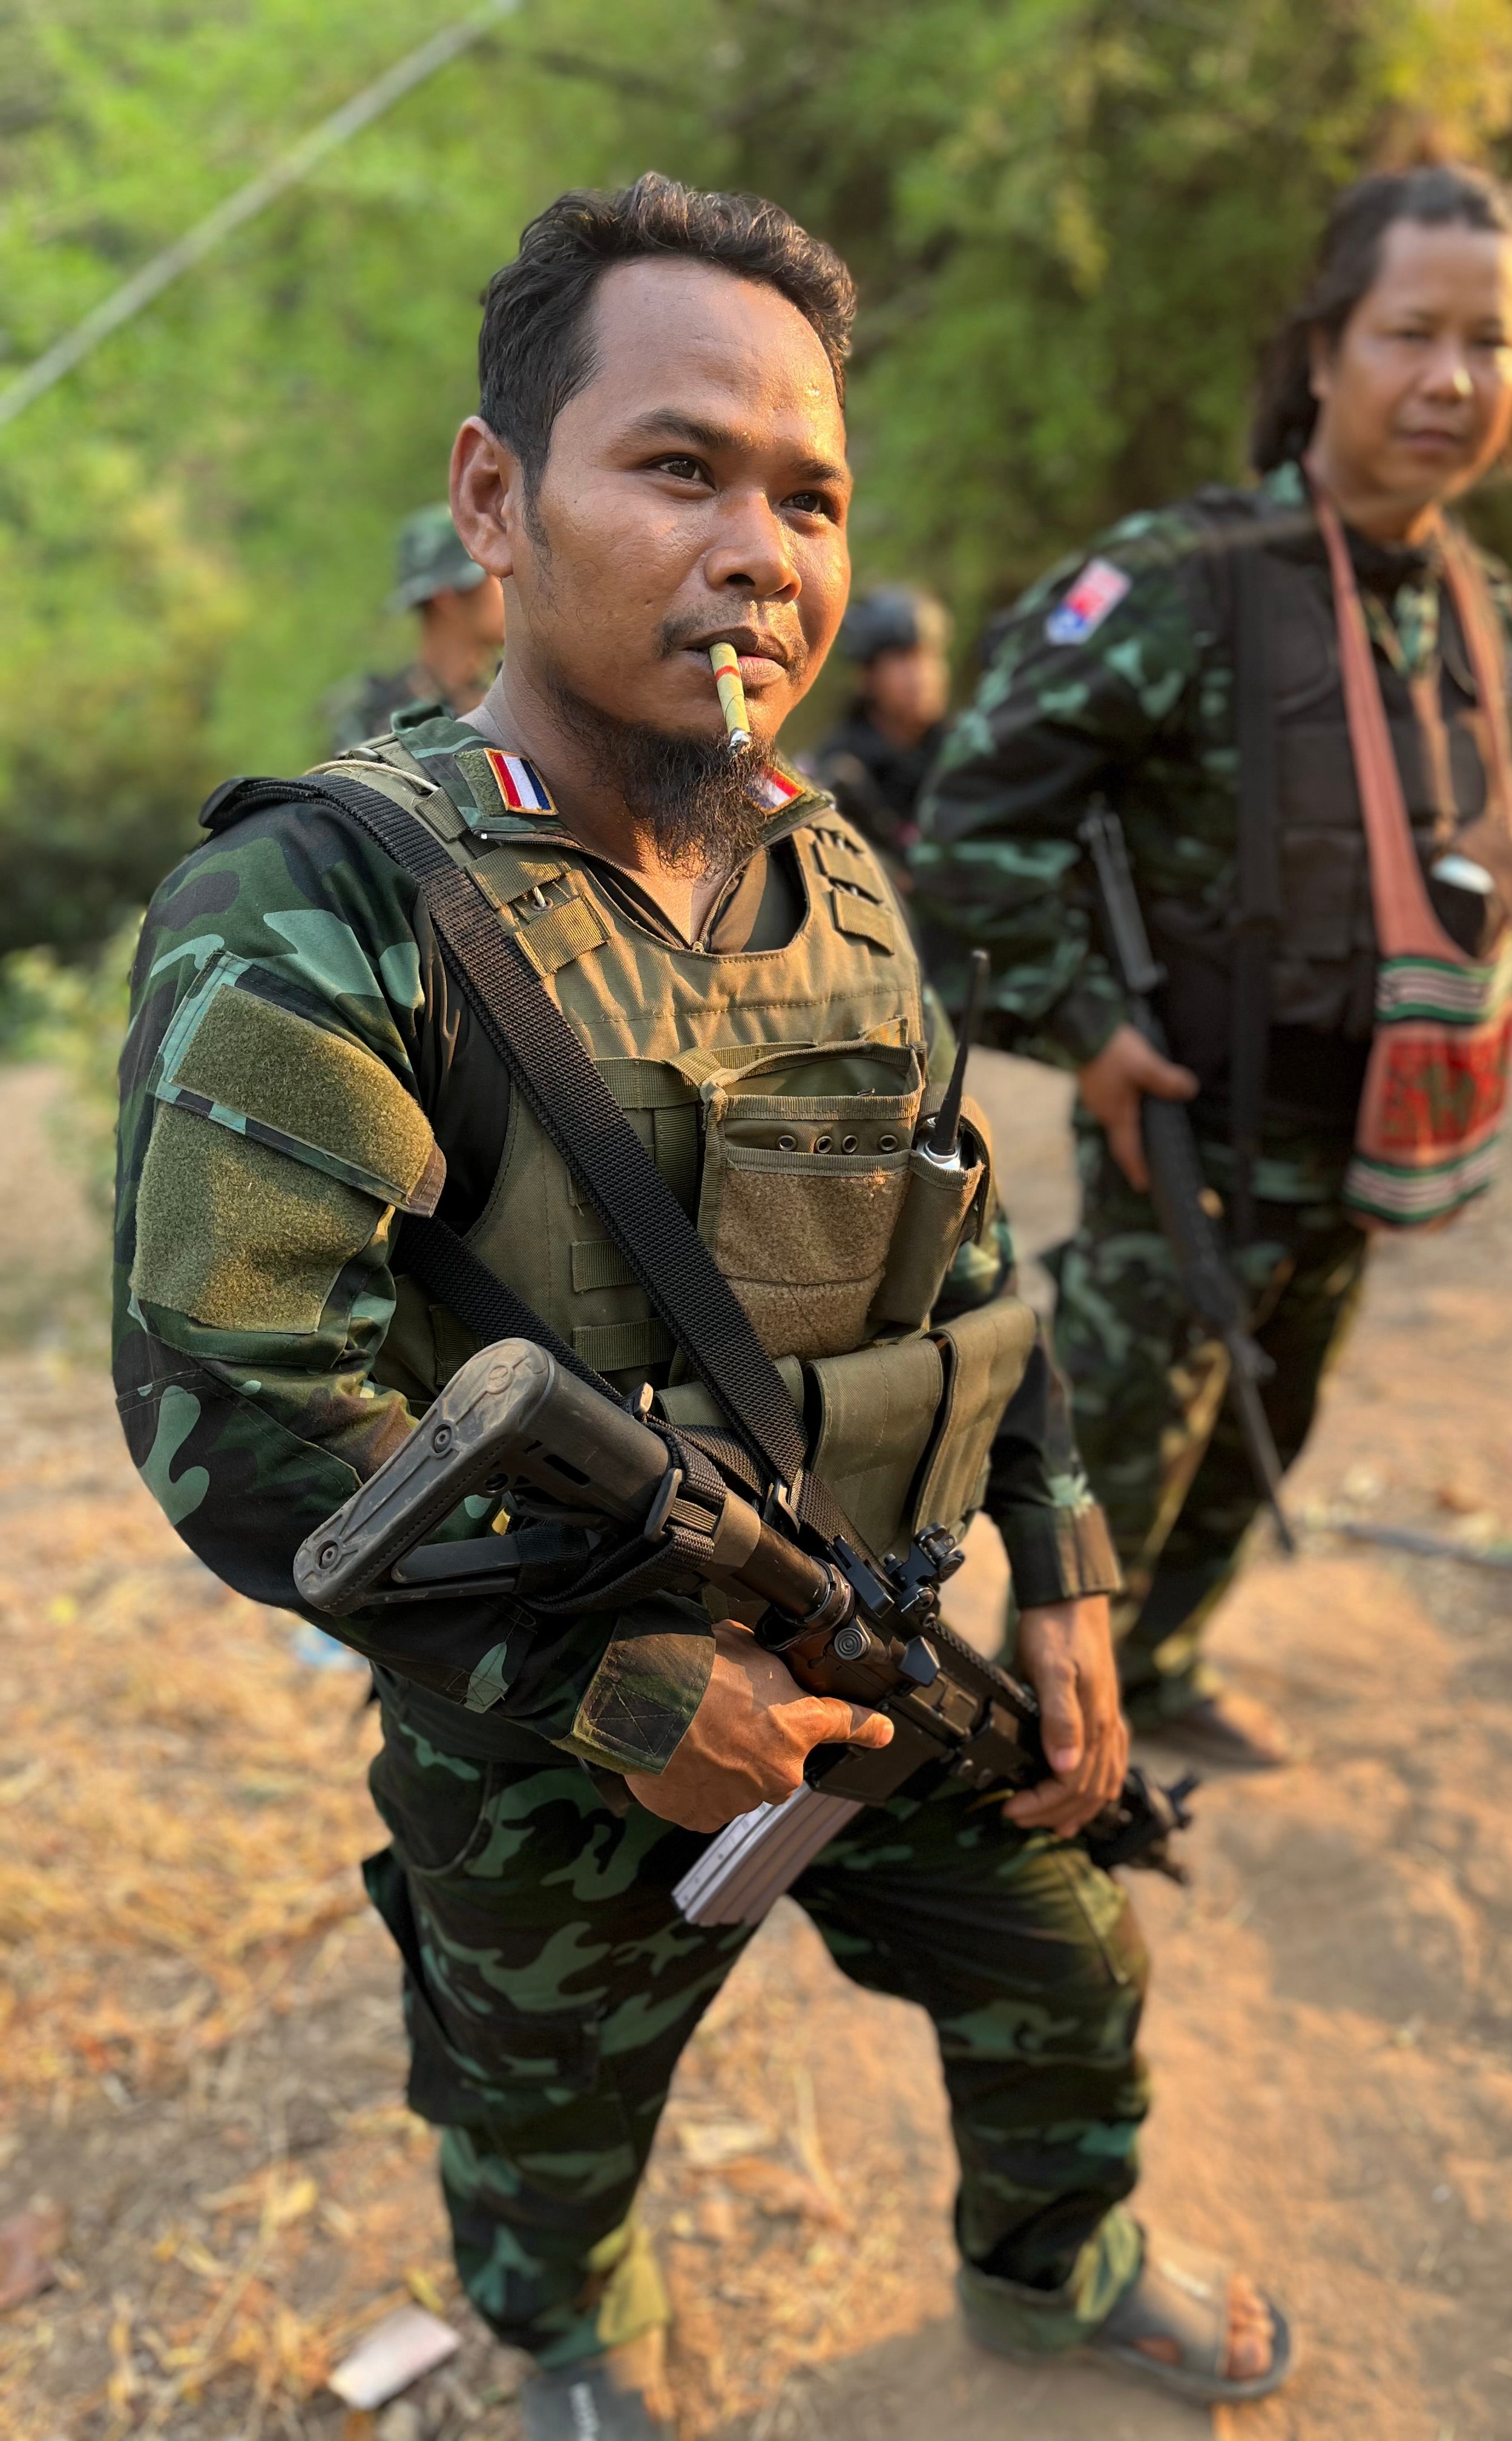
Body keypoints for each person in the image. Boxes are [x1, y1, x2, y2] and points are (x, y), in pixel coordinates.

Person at [111, 177, 1290, 2440]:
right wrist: (609, 1674)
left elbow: (960, 1253)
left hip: (877, 1637)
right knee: (541, 2117)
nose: (759, 547)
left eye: (809, 495)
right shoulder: (319, 902)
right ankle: (573, 2348)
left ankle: (1059, 2270)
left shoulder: (833, 864)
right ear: (497, 495)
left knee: (1065, 1968)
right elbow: (232, 1398)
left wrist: (1058, 1579)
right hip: (545, 1722)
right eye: (676, 467)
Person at [916, 162, 1512, 1768]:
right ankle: (1035, 1762)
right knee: (1117, 1468)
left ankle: (1173, 1676)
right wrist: (1087, 1032)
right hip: (1188, 1130)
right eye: (1414, 333)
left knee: (1265, 1428)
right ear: (1325, 350)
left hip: (1369, 1138)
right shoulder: (1179, 585)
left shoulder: (1486, 610)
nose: (1454, 379)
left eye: (1496, 342)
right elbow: (971, 835)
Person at [322, 504, 507, 751]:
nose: (508, 588)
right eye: (492, 575)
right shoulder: (378, 727)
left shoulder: (520, 698)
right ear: (447, 598)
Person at [805, 585, 952, 888]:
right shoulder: (834, 771)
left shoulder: (965, 753)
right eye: (903, 659)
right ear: (867, 677)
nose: (922, 675)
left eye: (930, 656)